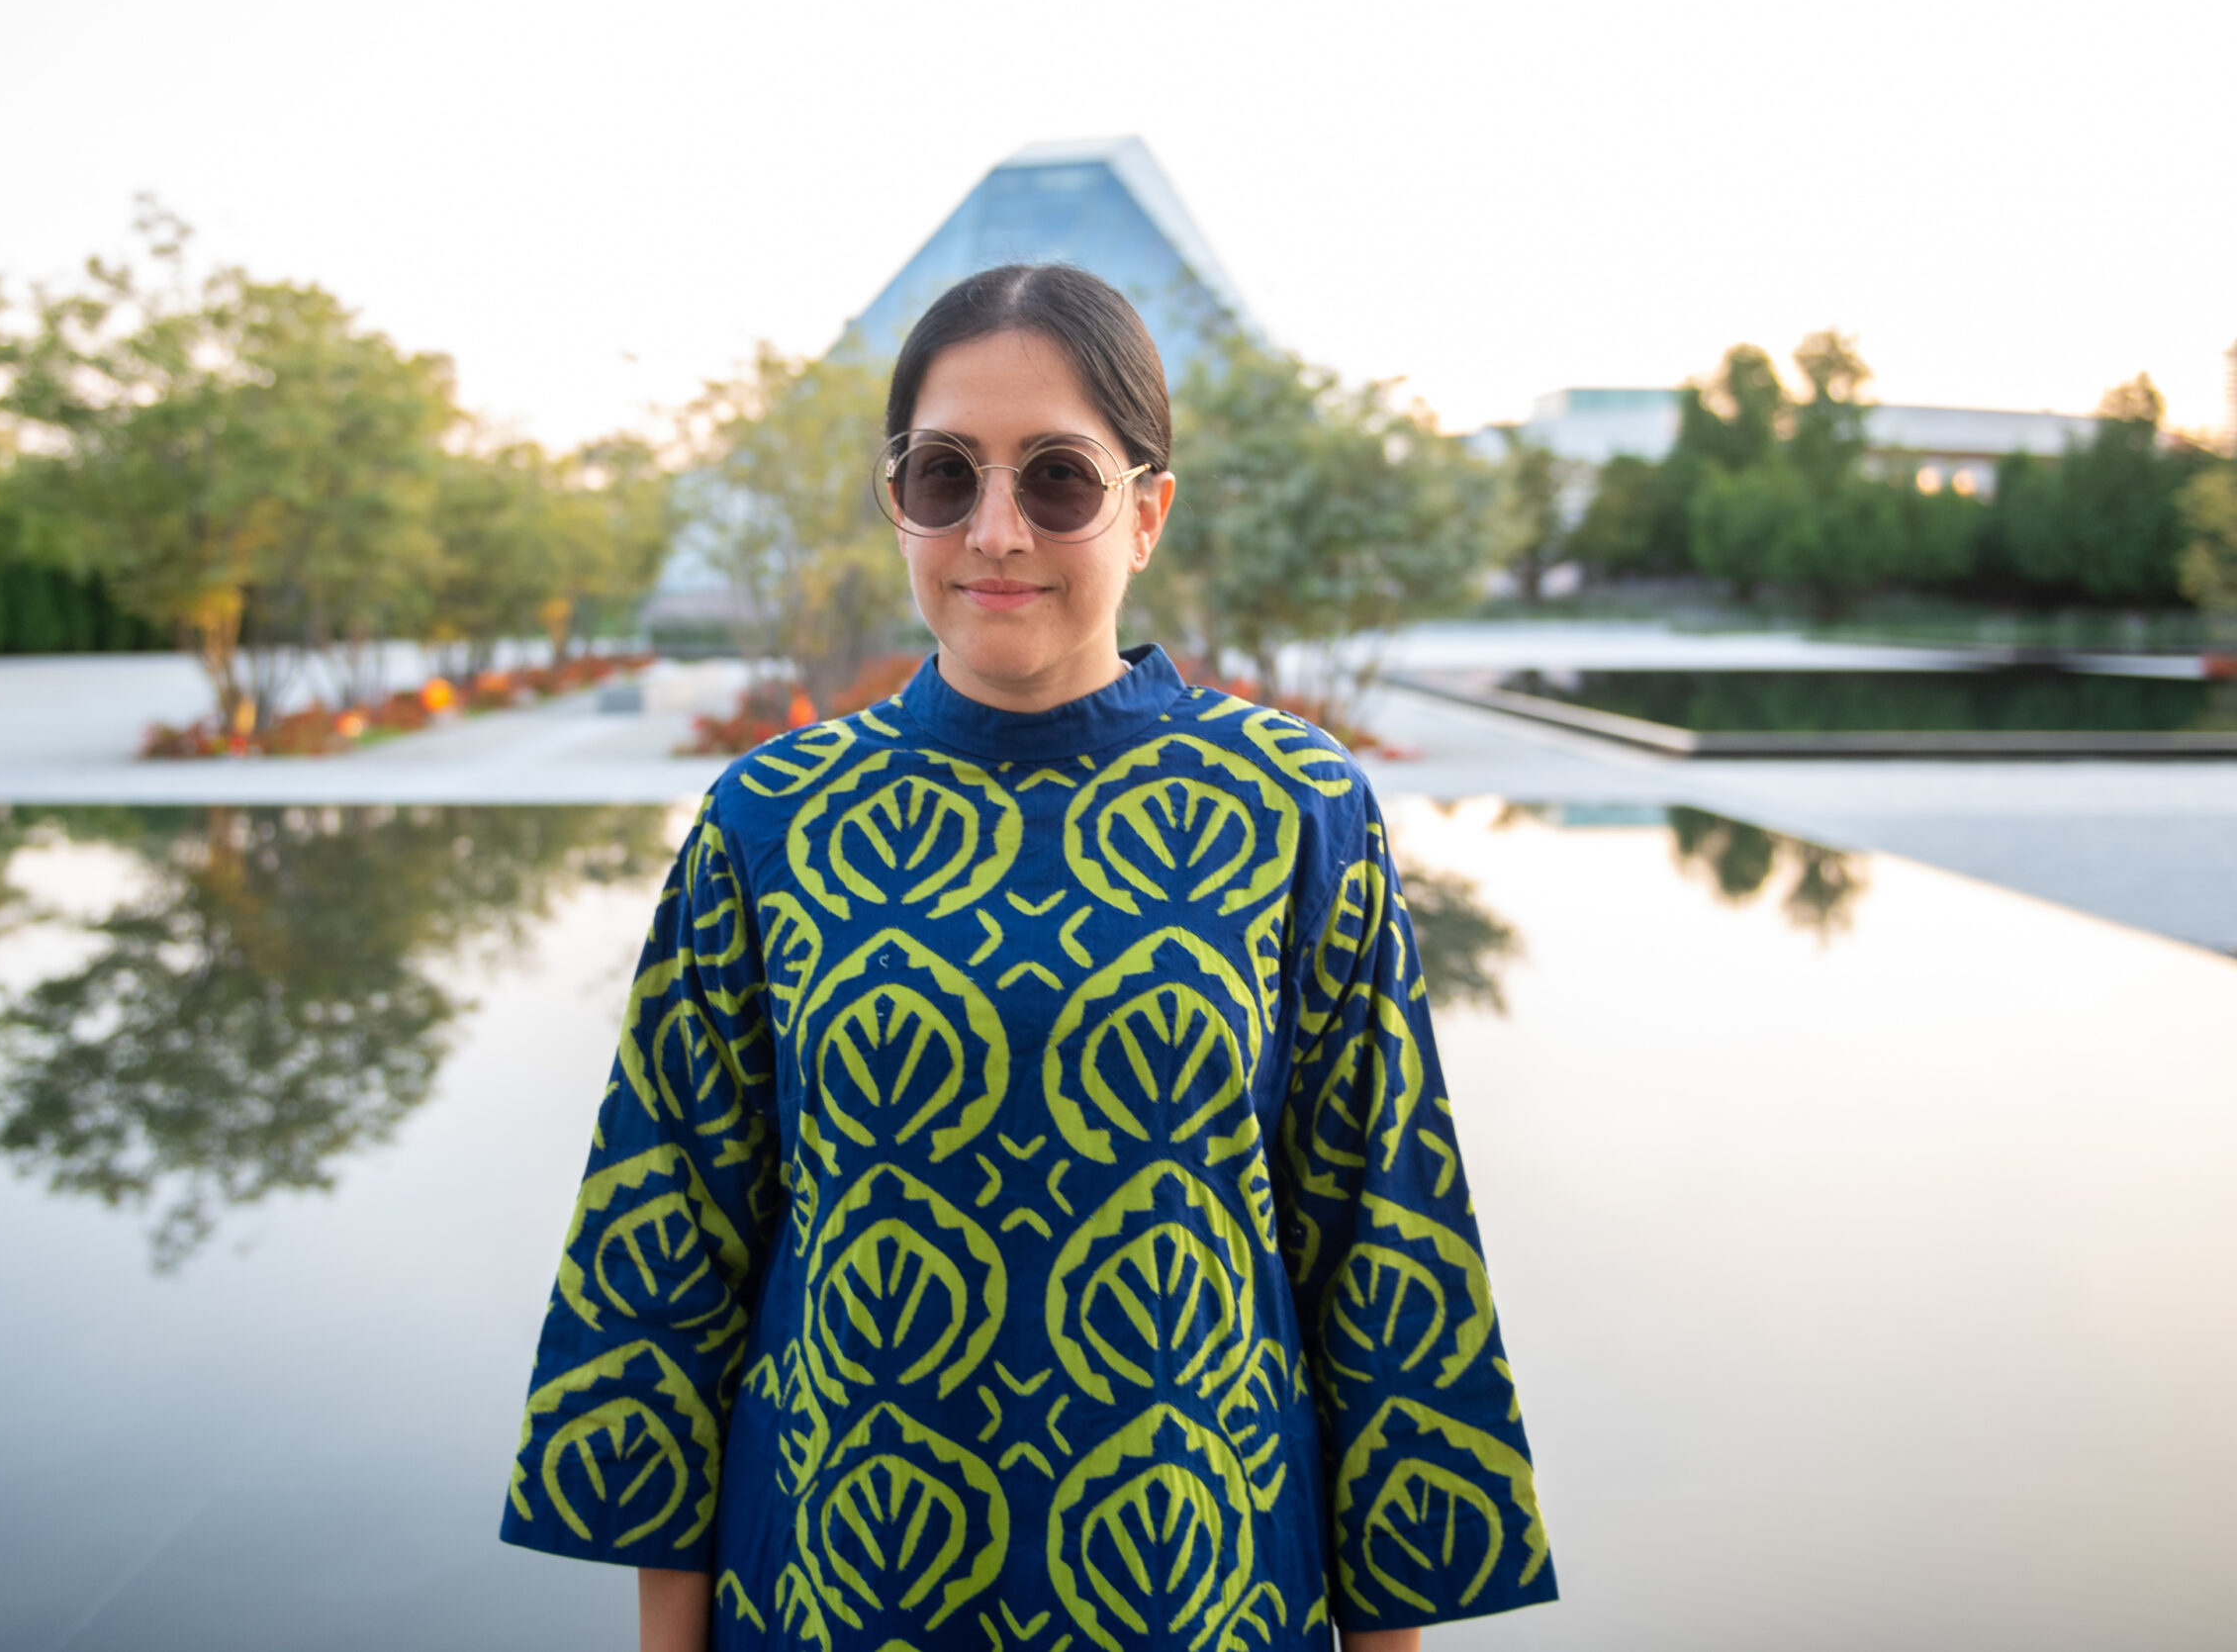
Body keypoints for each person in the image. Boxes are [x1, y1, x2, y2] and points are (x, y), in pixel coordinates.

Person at [501, 264, 1556, 1651]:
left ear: (1147, 508)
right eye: (946, 475)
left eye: (1057, 478)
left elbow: (1382, 1253)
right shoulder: (766, 822)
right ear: (898, 500)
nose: (995, 531)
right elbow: (668, 1262)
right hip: (834, 1583)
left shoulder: (1296, 809)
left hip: (1201, 1584)